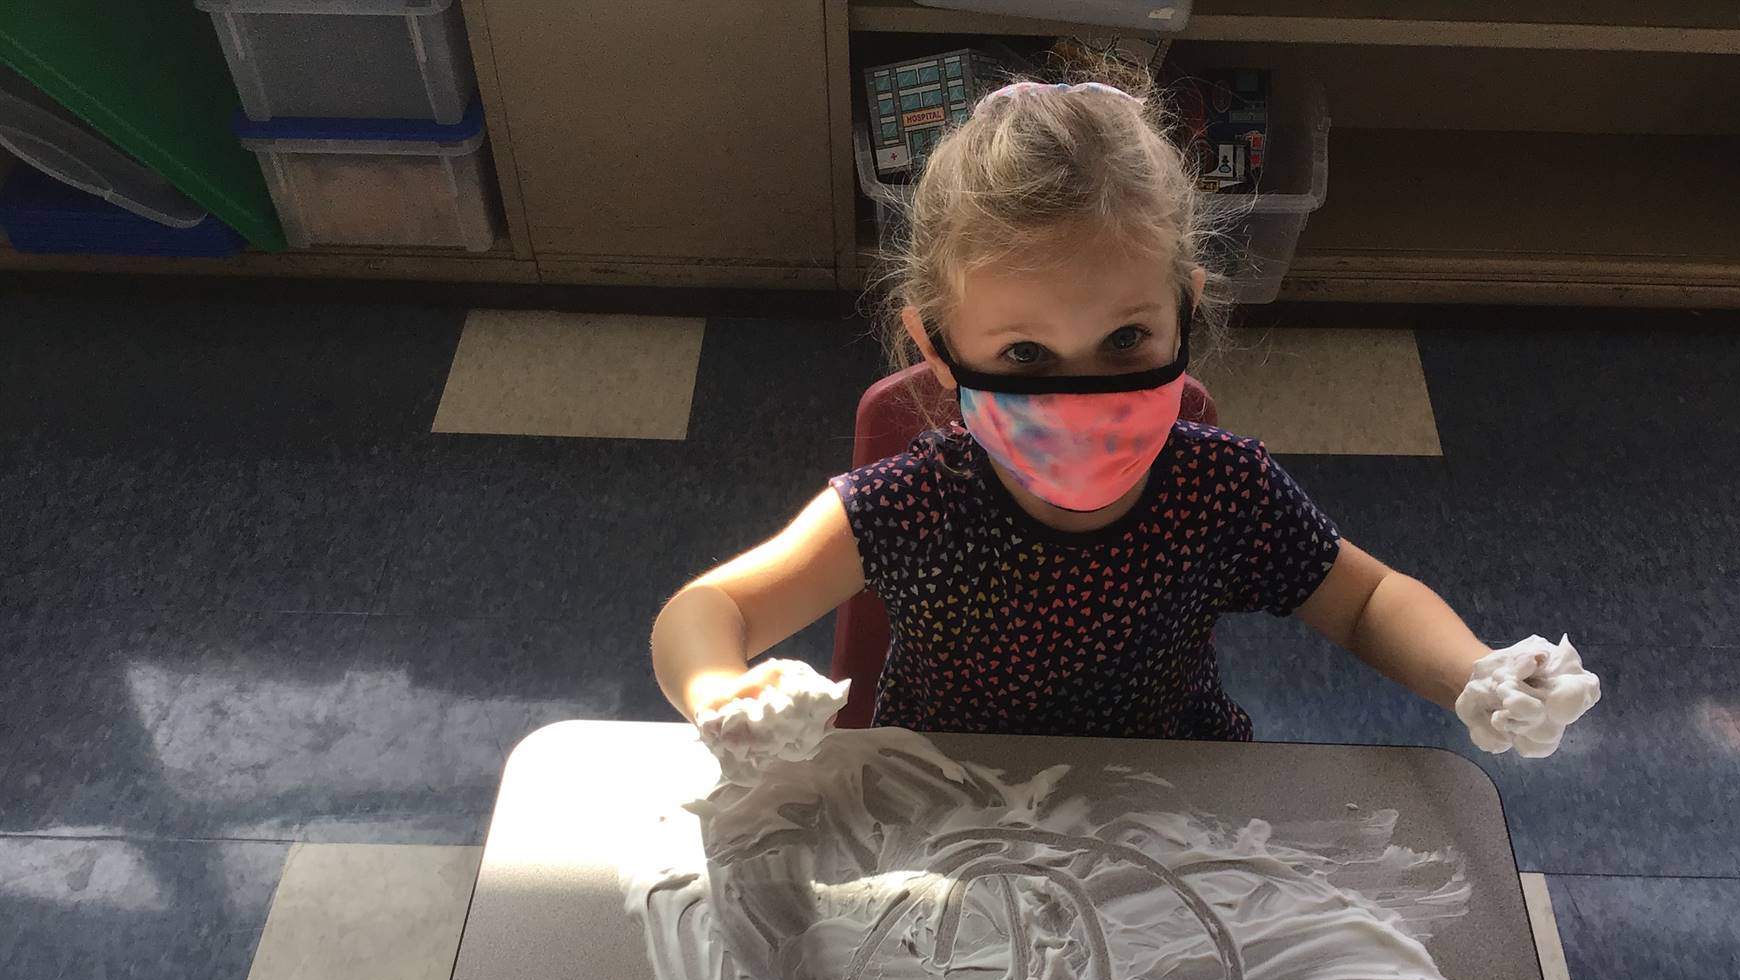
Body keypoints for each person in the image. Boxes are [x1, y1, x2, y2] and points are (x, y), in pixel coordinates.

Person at [651, 76, 1597, 757]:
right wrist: (721, 689)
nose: (1080, 396)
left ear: (1184, 312)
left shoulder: (1221, 488)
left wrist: (1474, 670)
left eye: (1126, 341)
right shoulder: (909, 505)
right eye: (1025, 355)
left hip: (1174, 800)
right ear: (937, 348)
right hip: (944, 810)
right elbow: (709, 610)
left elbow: (1366, 601)